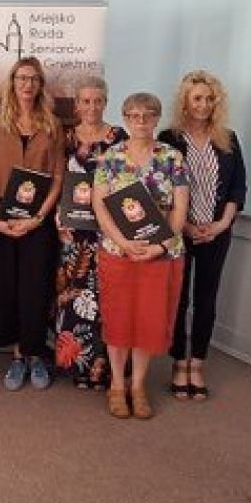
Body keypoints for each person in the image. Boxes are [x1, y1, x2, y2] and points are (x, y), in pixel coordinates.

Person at [92, 92, 189, 420]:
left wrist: (160, 246)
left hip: (160, 255)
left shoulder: (172, 158)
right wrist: (121, 240)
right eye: (134, 115)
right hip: (118, 252)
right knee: (119, 318)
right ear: (125, 119)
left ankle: (138, 386)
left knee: (148, 320)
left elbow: (179, 208)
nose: (141, 121)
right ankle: (117, 386)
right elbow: (99, 205)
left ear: (157, 119)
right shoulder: (110, 157)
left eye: (148, 115)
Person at [159, 70, 247, 400]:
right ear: (185, 101)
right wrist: (184, 226)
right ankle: (178, 362)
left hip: (216, 232)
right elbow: (162, 188)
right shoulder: (169, 139)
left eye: (210, 99)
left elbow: (238, 187)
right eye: (197, 98)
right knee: (179, 299)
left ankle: (197, 363)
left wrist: (222, 224)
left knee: (206, 299)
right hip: (179, 232)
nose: (204, 104)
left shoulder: (228, 139)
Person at [0, 57, 64, 391]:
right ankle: (18, 356)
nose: (27, 84)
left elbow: (57, 178)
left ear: (40, 84)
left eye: (33, 79)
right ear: (12, 82)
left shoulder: (53, 126)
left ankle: (35, 354)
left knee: (36, 287)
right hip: (4, 217)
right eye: (21, 78)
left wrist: (39, 217)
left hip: (38, 219)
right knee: (8, 287)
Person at [54, 77, 127, 391]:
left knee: (106, 295)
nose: (92, 106)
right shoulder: (66, 137)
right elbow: (57, 178)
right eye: (86, 101)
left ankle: (104, 366)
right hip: (73, 231)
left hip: (108, 230)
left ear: (106, 102)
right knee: (74, 293)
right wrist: (58, 214)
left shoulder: (118, 138)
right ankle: (76, 365)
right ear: (77, 105)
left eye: (98, 100)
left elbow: (127, 181)